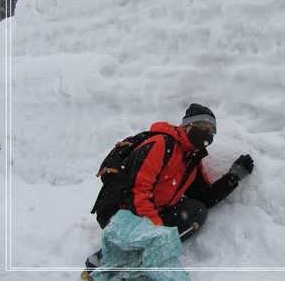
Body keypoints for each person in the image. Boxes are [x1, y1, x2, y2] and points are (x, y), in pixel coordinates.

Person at [86, 104, 254, 272]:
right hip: (119, 211)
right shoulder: (161, 144)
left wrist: (232, 177)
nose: (209, 134)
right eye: (204, 127)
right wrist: (156, 232)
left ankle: (142, 251)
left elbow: (203, 197)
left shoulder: (191, 159)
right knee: (155, 231)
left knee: (197, 210)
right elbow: (136, 193)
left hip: (148, 211)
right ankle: (113, 254)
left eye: (212, 131)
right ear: (188, 125)